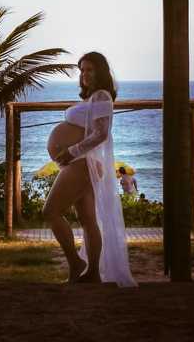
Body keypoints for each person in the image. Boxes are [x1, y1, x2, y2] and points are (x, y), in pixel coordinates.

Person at [43, 51, 137, 287]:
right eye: (82, 70)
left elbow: (101, 134)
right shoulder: (93, 97)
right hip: (81, 163)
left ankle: (76, 263)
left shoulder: (102, 96)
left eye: (89, 70)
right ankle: (93, 274)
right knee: (87, 219)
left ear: (100, 72)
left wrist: (71, 151)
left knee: (51, 212)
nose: (84, 74)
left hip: (82, 163)